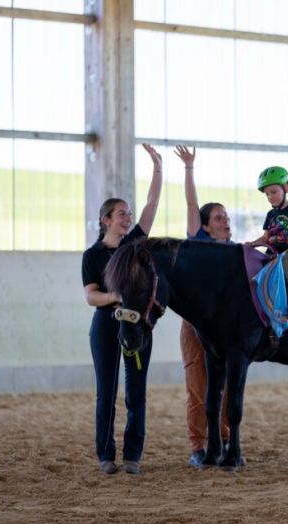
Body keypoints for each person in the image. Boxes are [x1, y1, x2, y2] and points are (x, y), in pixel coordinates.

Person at [81, 144, 164, 475]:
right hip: (106, 324)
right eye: (122, 214)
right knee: (106, 393)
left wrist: (157, 167)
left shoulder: (135, 244)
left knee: (136, 392)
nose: (128, 218)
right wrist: (116, 296)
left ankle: (133, 456)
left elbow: (152, 204)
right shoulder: (92, 255)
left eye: (129, 213)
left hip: (137, 324)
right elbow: (91, 297)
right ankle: (106, 455)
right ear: (106, 220)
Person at [173, 145, 232, 468]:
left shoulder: (236, 251)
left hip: (224, 328)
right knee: (198, 387)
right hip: (195, 326)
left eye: (227, 217)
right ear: (206, 226)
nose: (226, 221)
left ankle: (223, 441)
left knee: (225, 387)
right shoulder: (200, 241)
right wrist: (189, 168)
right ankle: (198, 446)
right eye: (219, 217)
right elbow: (191, 204)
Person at [248, 166, 288, 320]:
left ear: (286, 189)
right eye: (267, 194)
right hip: (272, 252)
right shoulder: (270, 214)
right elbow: (265, 237)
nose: (270, 197)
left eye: (273, 192)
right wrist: (251, 244)